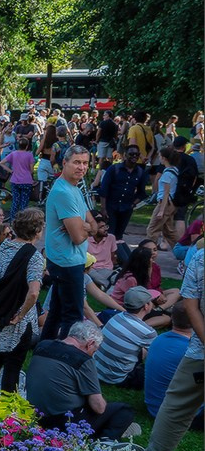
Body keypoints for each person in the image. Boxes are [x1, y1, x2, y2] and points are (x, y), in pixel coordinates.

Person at [131, 250, 204, 451]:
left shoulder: (201, 257)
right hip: (198, 352)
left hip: (200, 351)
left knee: (176, 406)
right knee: (175, 406)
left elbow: (190, 305)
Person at [25, 321, 137, 439]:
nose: (92, 355)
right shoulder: (83, 360)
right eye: (94, 351)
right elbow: (99, 408)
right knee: (124, 410)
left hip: (35, 415)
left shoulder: (43, 345)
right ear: (90, 344)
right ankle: (105, 442)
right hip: (65, 422)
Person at [0, 208, 45, 392]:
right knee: (13, 364)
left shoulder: (0, 248)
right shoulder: (34, 256)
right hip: (17, 319)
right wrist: (20, 315)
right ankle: (7, 413)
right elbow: (33, 293)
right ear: (37, 230)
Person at [42, 146, 97, 341]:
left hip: (64, 260)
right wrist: (87, 228)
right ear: (64, 163)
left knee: (56, 313)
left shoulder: (75, 188)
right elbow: (78, 237)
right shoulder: (64, 192)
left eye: (85, 163)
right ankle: (63, 358)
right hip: (67, 262)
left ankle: (45, 349)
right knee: (72, 318)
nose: (81, 167)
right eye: (76, 162)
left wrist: (86, 226)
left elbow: (93, 223)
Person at [142, 302, 201, 427]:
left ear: (172, 318)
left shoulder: (158, 339)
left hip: (155, 406)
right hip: (178, 415)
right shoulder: (192, 352)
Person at [93, 286, 157, 390]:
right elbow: (157, 356)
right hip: (115, 378)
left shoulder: (116, 316)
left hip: (96, 370)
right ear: (146, 306)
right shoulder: (147, 332)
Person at [99, 144, 148, 240]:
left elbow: (142, 193)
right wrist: (103, 208)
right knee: (109, 234)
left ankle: (116, 253)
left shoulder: (140, 172)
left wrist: (133, 204)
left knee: (119, 235)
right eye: (131, 154)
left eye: (136, 154)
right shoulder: (114, 169)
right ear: (125, 155)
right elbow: (104, 189)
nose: (134, 156)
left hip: (126, 208)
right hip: (111, 206)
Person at [146, 147, 180, 250]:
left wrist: (161, 210)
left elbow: (166, 193)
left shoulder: (167, 174)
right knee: (169, 231)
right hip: (171, 204)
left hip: (164, 204)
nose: (159, 158)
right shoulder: (175, 170)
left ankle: (148, 251)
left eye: (160, 156)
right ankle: (182, 251)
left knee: (152, 229)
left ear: (164, 158)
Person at [0, 136, 35, 221]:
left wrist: (11, 171)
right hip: (26, 181)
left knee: (15, 201)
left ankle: (12, 219)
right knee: (24, 202)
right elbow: (32, 170)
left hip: (15, 180)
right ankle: (23, 220)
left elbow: (2, 163)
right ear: (27, 146)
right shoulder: (29, 155)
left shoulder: (13, 154)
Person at [85, 213, 118, 288]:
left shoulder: (111, 238)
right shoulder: (86, 239)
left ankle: (104, 284)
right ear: (94, 229)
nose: (106, 228)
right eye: (102, 227)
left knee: (113, 275)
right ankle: (108, 285)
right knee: (89, 272)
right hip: (91, 268)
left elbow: (113, 256)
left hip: (106, 268)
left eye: (106, 226)